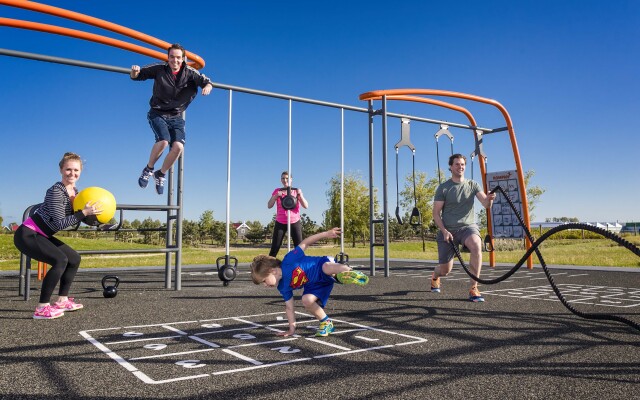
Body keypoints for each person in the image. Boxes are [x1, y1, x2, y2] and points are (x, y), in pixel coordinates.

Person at [14, 152, 103, 319]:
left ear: (80, 171)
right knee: (60, 260)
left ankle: (62, 300)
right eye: (68, 169)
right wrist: (84, 212)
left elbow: (77, 217)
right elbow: (59, 223)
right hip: (27, 235)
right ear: (61, 170)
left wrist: (97, 219)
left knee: (74, 258)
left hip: (41, 235)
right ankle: (42, 308)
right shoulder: (56, 191)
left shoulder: (75, 191)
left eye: (76, 170)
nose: (72, 173)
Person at [250, 228, 369, 337]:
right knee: (306, 300)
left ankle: (350, 272)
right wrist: (291, 329)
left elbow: (305, 243)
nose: (265, 285)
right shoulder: (283, 287)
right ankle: (326, 323)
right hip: (315, 285)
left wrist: (326, 234)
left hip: (320, 266)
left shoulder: (289, 260)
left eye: (264, 281)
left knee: (327, 267)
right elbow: (289, 308)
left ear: (273, 271)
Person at [131, 43, 214, 195]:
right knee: (163, 140)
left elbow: (206, 81)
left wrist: (207, 87)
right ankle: (148, 169)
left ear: (183, 59)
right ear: (168, 58)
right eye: (172, 57)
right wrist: (134, 73)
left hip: (176, 116)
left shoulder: (190, 72)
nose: (174, 61)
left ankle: (160, 174)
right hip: (157, 112)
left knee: (178, 147)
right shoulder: (160, 69)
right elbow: (139, 75)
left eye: (178, 58)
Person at [431, 153, 496, 302]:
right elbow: (435, 214)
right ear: (450, 167)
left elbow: (485, 204)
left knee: (476, 245)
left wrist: (490, 200)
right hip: (448, 230)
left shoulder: (472, 185)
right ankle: (435, 276)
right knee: (445, 270)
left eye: (462, 164)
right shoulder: (443, 188)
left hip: (468, 227)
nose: (460, 167)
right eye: (457, 164)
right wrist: (444, 231)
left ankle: (474, 288)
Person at [267, 171, 309, 257]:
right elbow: (269, 205)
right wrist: (275, 196)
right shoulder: (277, 191)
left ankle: (301, 267)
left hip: (294, 221)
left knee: (299, 247)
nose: (285, 180)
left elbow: (306, 206)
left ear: (291, 179)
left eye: (287, 178)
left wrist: (300, 195)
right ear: (280, 180)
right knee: (275, 247)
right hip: (280, 222)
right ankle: (268, 267)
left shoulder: (296, 191)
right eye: (283, 178)